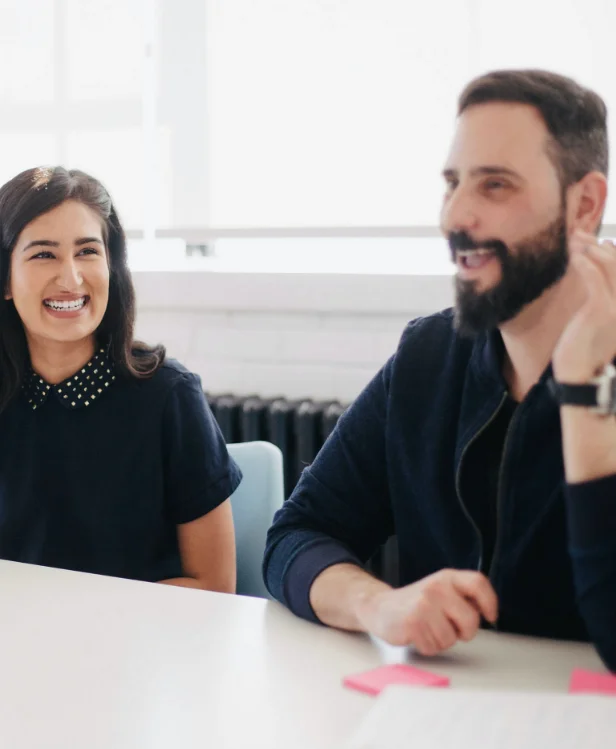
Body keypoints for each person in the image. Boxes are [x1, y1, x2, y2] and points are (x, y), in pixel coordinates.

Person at [263, 69, 616, 672]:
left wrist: (586, 392)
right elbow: (294, 538)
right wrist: (378, 604)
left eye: (495, 186)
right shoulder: (429, 356)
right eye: (453, 183)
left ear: (583, 206)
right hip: (445, 716)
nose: (456, 216)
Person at [0, 166, 241, 591]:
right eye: (43, 254)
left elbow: (215, 585)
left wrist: (85, 622)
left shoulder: (170, 396)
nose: (70, 277)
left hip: (141, 646)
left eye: (88, 251)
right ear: (6, 278)